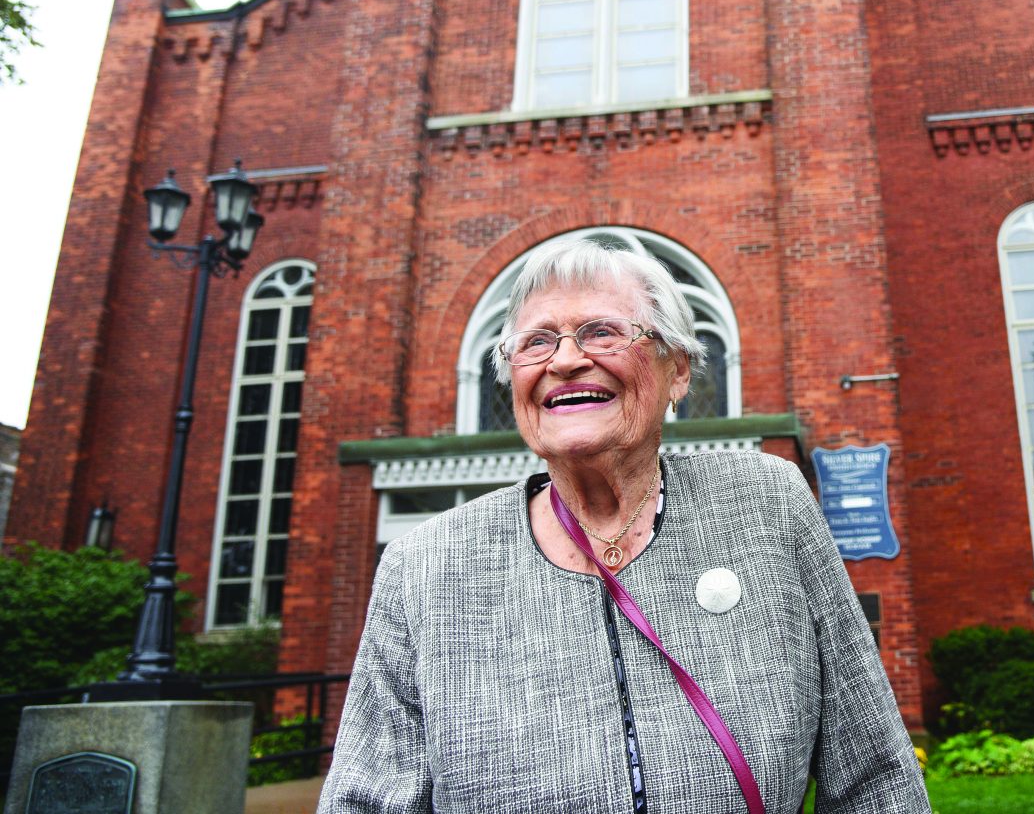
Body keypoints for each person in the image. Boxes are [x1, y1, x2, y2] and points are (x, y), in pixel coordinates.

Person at [319, 236, 928, 812]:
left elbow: (875, 773)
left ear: (678, 369)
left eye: (601, 332)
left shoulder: (769, 506)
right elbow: (364, 799)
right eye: (537, 342)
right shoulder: (426, 566)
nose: (566, 360)